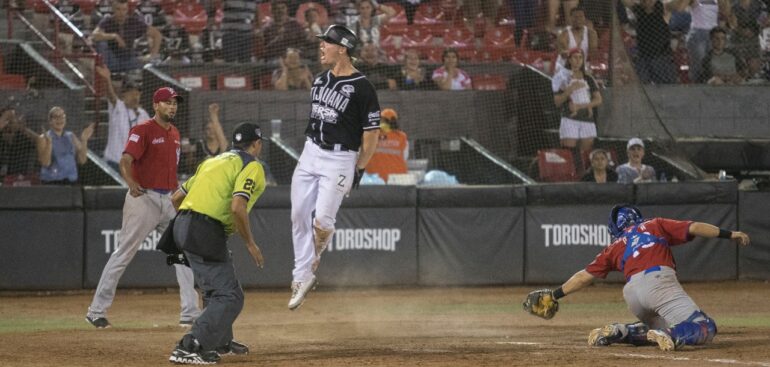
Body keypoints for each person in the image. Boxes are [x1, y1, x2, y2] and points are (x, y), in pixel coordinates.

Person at [535, 204, 750, 351]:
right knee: (705, 326)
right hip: (658, 281)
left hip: (632, 294)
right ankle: (674, 336)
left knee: (659, 327)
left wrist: (554, 295)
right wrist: (730, 234)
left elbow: (583, 277)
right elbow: (694, 227)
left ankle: (621, 331)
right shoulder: (654, 224)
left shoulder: (614, 246)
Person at [86, 87, 200, 329]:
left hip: (168, 201)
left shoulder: (175, 133)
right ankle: (96, 310)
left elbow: (171, 172)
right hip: (144, 199)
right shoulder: (143, 129)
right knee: (124, 253)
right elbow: (125, 159)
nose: (172, 106)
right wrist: (130, 182)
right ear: (156, 105)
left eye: (175, 102)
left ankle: (190, 313)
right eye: (167, 102)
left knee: (183, 254)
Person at [288, 24, 381, 310]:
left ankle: (314, 256)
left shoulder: (363, 88)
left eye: (326, 43)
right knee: (298, 214)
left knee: (322, 222)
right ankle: (302, 276)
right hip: (311, 151)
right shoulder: (319, 80)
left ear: (342, 48)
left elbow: (372, 135)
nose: (321, 47)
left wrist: (360, 169)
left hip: (341, 158)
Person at [167, 123, 267, 365]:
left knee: (214, 290)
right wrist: (251, 244)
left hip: (182, 224)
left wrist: (191, 225)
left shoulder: (212, 161)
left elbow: (176, 198)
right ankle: (191, 344)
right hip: (205, 229)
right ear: (257, 145)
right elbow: (237, 206)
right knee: (230, 295)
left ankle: (219, 341)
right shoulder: (252, 165)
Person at [96, 65, 150, 172]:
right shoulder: (118, 107)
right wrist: (107, 79)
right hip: (114, 164)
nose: (135, 97)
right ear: (124, 95)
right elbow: (111, 96)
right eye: (132, 94)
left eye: (137, 94)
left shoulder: (143, 115)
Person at [552, 48, 602, 161]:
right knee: (569, 154)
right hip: (570, 120)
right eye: (575, 57)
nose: (578, 60)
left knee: (586, 155)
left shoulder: (588, 78)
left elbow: (598, 99)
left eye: (580, 57)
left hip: (587, 120)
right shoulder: (562, 77)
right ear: (569, 60)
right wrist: (569, 90)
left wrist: (583, 106)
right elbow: (557, 102)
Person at [91, 0, 162, 72]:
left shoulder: (134, 22)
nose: (121, 13)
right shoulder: (107, 21)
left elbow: (157, 35)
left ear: (127, 10)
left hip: (129, 59)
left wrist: (152, 55)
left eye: (124, 9)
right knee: (101, 43)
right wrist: (115, 36)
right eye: (118, 9)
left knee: (150, 67)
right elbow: (94, 35)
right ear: (113, 9)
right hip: (111, 60)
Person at [622, 0, 683, 84]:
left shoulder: (663, 9)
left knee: (667, 87)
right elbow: (626, 2)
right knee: (642, 86)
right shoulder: (639, 10)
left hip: (661, 57)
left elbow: (677, 5)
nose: (648, 2)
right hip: (643, 57)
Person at [36, 107, 94, 185]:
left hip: (72, 182)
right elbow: (45, 163)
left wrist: (84, 140)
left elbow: (82, 160)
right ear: (50, 121)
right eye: (56, 117)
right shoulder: (43, 138)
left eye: (62, 116)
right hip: (52, 183)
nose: (59, 120)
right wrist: (49, 143)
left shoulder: (71, 136)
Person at [684, 0, 734, 83]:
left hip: (713, 33)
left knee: (714, 61)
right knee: (699, 62)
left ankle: (712, 82)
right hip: (698, 32)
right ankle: (697, 84)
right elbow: (684, 6)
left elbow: (726, 12)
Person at [179, 103, 229, 175]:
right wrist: (189, 155)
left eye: (214, 129)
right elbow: (189, 164)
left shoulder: (223, 145)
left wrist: (213, 115)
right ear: (204, 131)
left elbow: (222, 140)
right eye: (208, 129)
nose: (211, 131)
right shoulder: (199, 145)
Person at [365, 108, 408, 182]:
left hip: (376, 180)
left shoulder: (371, 135)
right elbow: (405, 157)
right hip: (399, 180)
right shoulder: (402, 137)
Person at [0, 106, 38, 180]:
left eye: (13, 118)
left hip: (20, 179)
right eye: (7, 119)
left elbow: (41, 141)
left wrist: (23, 128)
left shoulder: (22, 138)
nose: (11, 122)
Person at [555, 7, 598, 72]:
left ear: (584, 18)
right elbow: (563, 54)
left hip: (581, 66)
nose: (578, 19)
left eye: (581, 16)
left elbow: (593, 54)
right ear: (570, 18)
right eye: (575, 17)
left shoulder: (591, 34)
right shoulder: (563, 34)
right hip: (564, 67)